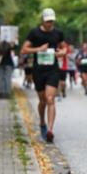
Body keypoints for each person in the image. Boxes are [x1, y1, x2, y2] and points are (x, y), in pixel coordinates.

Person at [21, 8, 65, 143]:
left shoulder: (58, 33)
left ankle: (50, 130)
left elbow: (64, 48)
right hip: (38, 71)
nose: (49, 23)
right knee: (43, 101)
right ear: (42, 20)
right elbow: (24, 49)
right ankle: (42, 122)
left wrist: (61, 53)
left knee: (50, 98)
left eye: (51, 21)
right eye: (47, 21)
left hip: (52, 70)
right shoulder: (34, 33)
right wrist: (38, 49)